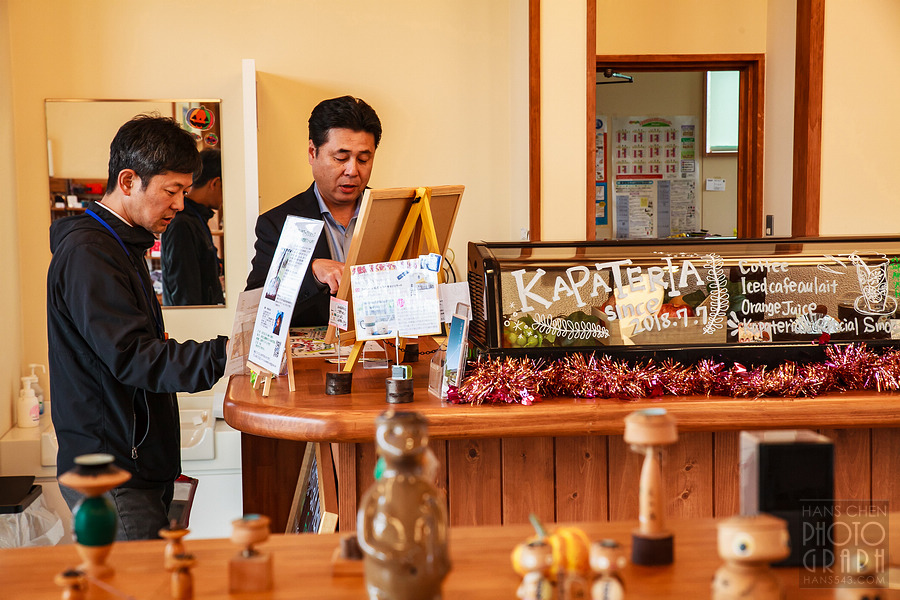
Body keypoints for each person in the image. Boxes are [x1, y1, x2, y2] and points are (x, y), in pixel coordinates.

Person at [47, 114, 229, 541]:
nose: (181, 204)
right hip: (112, 475)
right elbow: (135, 356)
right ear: (128, 181)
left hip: (137, 464)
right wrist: (228, 352)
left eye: (185, 191)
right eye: (172, 191)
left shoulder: (120, 245)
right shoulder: (90, 254)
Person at [245, 95, 382, 326]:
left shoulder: (391, 213)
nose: (352, 170)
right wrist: (310, 272)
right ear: (312, 152)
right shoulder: (278, 224)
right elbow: (257, 308)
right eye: (341, 157)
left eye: (363, 159)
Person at [161, 148, 225, 306]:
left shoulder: (197, 219)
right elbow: (185, 294)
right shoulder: (182, 224)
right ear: (215, 183)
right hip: (195, 326)